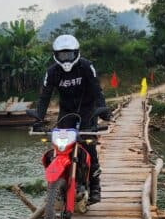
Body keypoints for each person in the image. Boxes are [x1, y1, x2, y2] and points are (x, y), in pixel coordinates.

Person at [34, 34, 110, 204]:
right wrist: (38, 117)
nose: (66, 58)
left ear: (76, 53)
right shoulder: (52, 72)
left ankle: (95, 186)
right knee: (59, 146)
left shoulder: (86, 66)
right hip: (66, 112)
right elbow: (44, 97)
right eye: (62, 55)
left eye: (69, 54)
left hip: (87, 111)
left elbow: (97, 90)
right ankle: (61, 182)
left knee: (89, 145)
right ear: (56, 55)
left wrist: (103, 111)